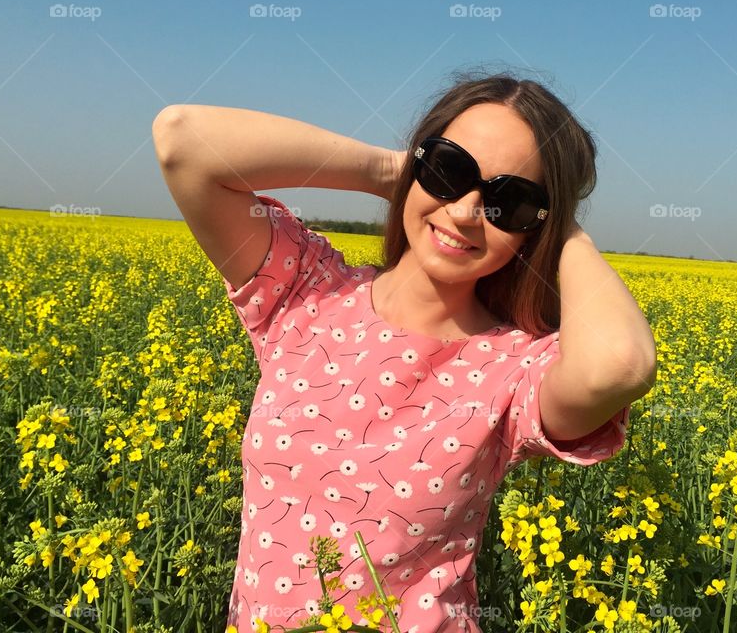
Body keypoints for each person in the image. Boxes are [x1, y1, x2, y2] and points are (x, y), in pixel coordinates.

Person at [152, 70, 657, 633]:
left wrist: (559, 224)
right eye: (449, 170)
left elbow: (620, 363)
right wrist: (391, 171)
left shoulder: (515, 369)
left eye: (509, 202)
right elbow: (183, 140)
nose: (465, 211)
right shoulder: (305, 291)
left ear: (534, 230)